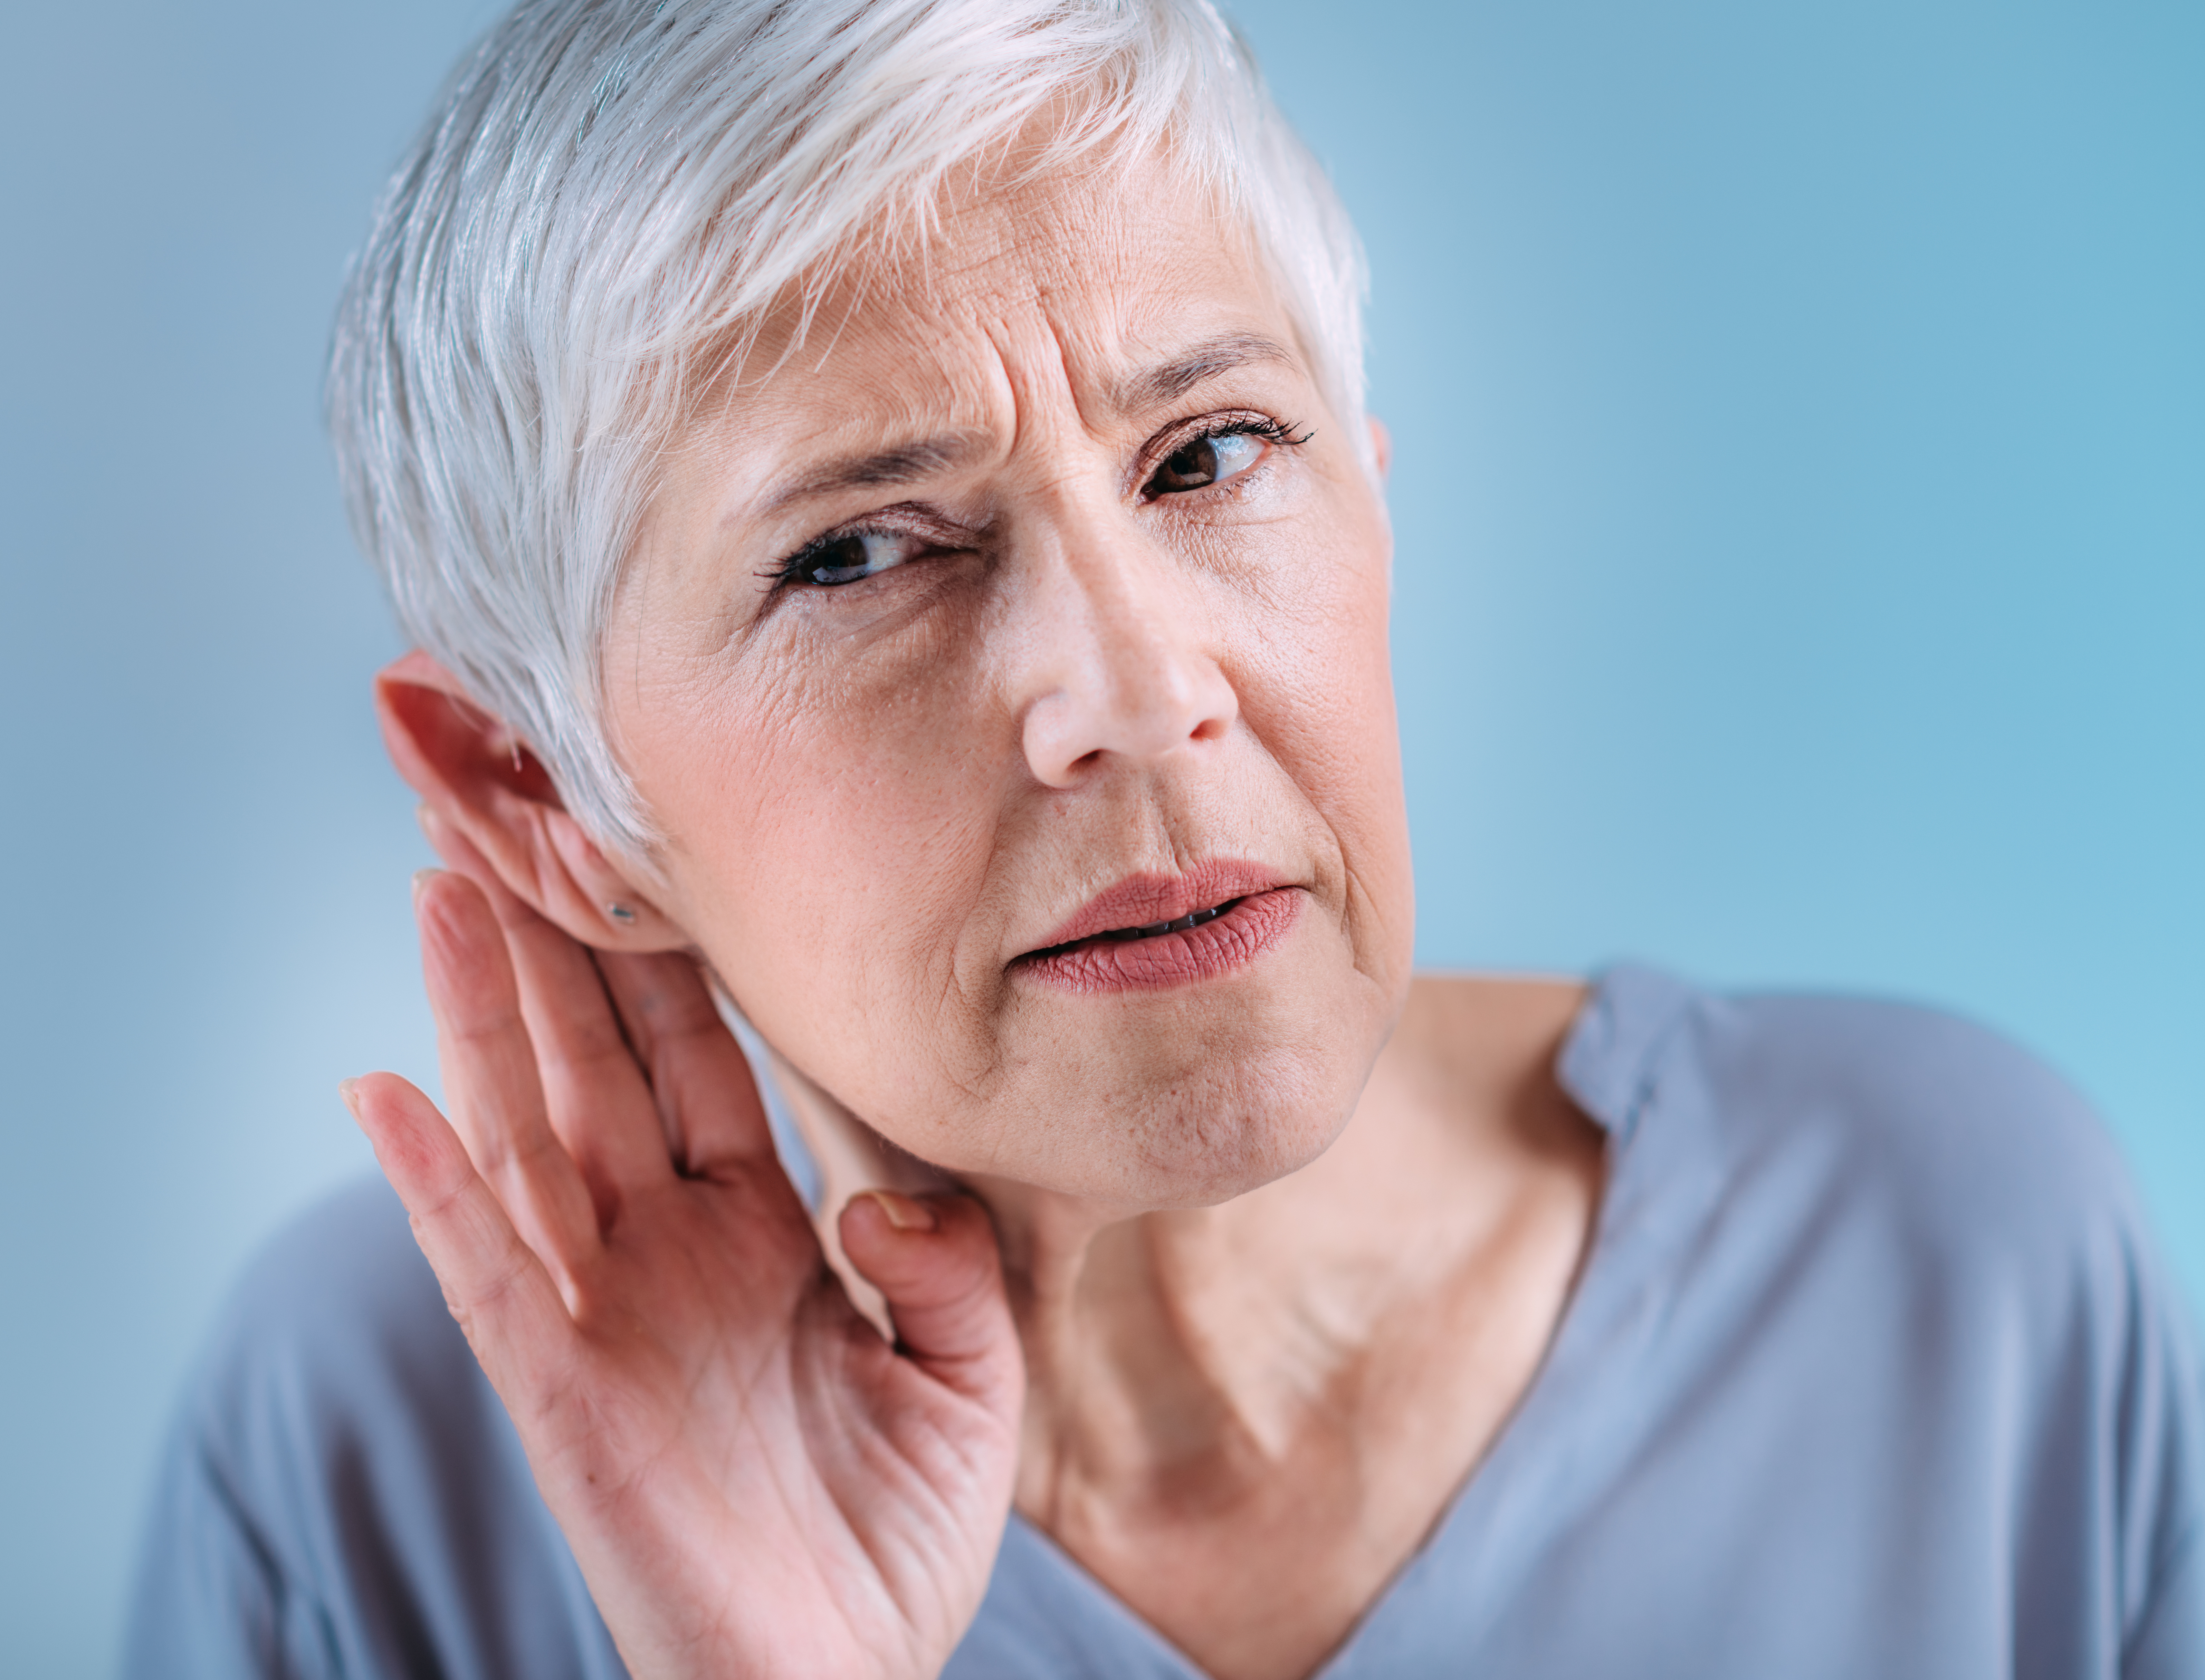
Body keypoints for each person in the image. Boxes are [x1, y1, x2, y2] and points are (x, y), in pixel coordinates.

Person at [122, 1, 2204, 1675]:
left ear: (1373, 513)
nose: (1135, 688)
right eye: (855, 554)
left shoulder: (1945, 1252)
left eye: (1211, 452)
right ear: (546, 801)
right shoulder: (368, 1460)